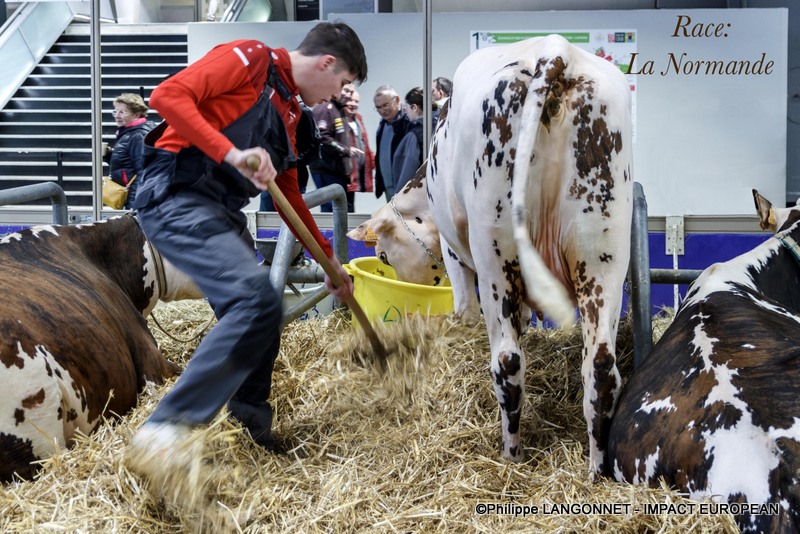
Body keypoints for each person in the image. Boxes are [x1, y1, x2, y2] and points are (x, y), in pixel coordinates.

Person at [127, 22, 367, 468]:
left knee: (263, 315)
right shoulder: (251, 57)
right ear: (326, 62)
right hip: (175, 193)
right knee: (257, 299)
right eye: (344, 83)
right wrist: (232, 154)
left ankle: (248, 431)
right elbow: (167, 97)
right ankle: (166, 429)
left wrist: (330, 262)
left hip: (220, 210)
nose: (338, 94)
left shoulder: (291, 112)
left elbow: (290, 193)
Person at [308, 83, 354, 212]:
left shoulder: (339, 109)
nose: (348, 95)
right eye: (345, 90)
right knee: (331, 210)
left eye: (351, 92)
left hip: (337, 171)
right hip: (325, 169)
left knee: (341, 209)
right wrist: (346, 150)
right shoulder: (324, 108)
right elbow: (323, 138)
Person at [107, 93, 155, 209]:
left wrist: (134, 206)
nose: (117, 116)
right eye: (115, 111)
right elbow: (128, 165)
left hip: (134, 197)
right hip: (130, 194)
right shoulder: (129, 132)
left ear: (136, 114)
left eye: (122, 112)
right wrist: (109, 156)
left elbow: (142, 172)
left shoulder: (138, 135)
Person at [373, 85, 413, 201]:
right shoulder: (382, 124)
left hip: (407, 189)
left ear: (397, 100)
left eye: (385, 105)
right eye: (378, 107)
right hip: (389, 190)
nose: (382, 111)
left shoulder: (409, 122)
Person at [343, 87, 374, 205]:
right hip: (345, 175)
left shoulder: (358, 119)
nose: (353, 104)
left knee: (349, 207)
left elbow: (364, 144)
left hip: (357, 174)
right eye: (350, 100)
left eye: (356, 101)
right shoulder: (339, 119)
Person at [392, 87, 424, 193]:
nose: (405, 113)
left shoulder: (415, 134)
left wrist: (399, 195)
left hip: (419, 193)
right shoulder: (444, 126)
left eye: (406, 109)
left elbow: (408, 170)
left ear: (414, 107)